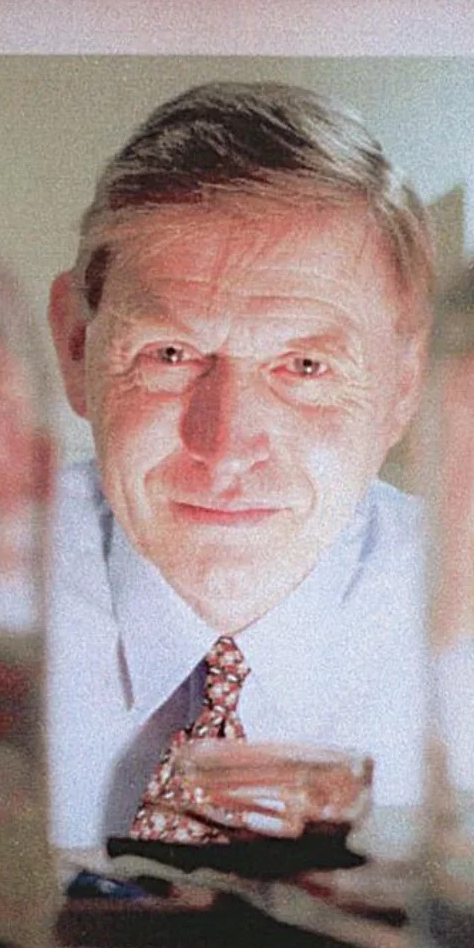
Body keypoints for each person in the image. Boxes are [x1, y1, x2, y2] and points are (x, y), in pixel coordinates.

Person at [44, 81, 435, 849]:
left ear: (401, 387)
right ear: (77, 347)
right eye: (170, 354)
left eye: (306, 366)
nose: (226, 447)